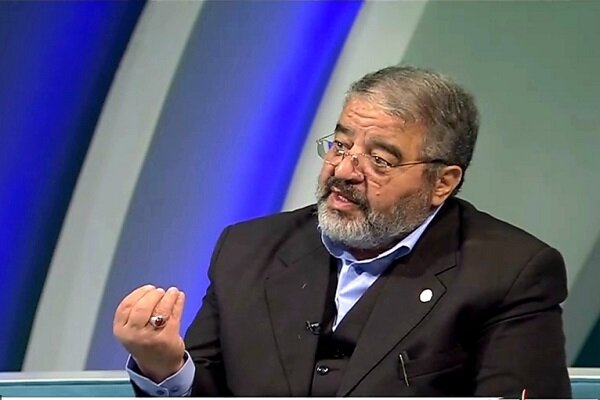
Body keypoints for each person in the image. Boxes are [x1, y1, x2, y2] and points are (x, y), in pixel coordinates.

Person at [113, 65, 571, 397]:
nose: (345, 170)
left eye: (380, 160)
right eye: (340, 144)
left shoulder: (509, 274)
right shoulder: (248, 250)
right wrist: (164, 365)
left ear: (442, 183)